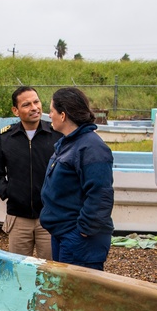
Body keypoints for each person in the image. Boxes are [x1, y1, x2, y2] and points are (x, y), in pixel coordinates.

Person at [39, 87, 114, 270]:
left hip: (78, 239)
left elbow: (100, 195)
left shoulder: (91, 148)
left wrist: (83, 231)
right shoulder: (69, 143)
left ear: (63, 115)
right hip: (63, 234)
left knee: (76, 295)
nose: (49, 115)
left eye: (52, 110)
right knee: (64, 292)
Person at [0, 86, 60, 259]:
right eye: (27, 104)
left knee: (50, 272)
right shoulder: (6, 137)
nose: (34, 108)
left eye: (36, 102)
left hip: (49, 217)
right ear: (15, 110)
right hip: (18, 218)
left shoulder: (56, 135)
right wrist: (10, 192)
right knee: (18, 271)